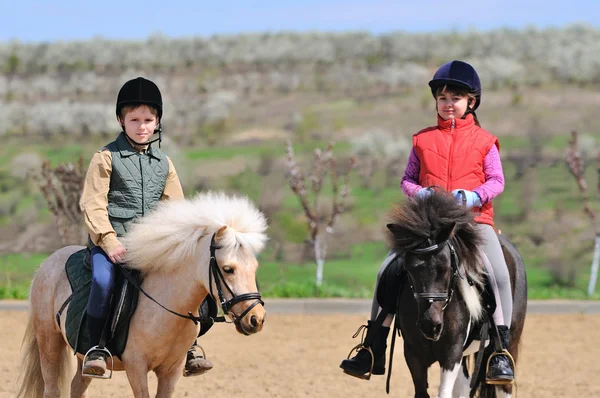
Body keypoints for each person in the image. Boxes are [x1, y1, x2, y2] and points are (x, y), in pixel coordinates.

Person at [339, 60, 514, 384]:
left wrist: (473, 197)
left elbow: (497, 181)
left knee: (499, 274)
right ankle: (371, 346)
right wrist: (420, 194)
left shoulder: (486, 140)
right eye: (443, 98)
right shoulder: (421, 139)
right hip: (428, 222)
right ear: (436, 101)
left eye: (456, 98)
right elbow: (407, 180)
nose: (449, 104)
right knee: (387, 270)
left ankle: (501, 352)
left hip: (473, 221)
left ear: (471, 102)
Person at [79, 76, 214, 378]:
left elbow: (176, 209)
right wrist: (109, 240)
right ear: (121, 120)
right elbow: (93, 204)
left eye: (148, 119)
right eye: (134, 119)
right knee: (103, 282)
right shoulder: (105, 158)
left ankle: (188, 346)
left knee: (194, 282)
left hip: (151, 248)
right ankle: (96, 346)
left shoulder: (164, 164)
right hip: (111, 244)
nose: (142, 126)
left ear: (157, 122)